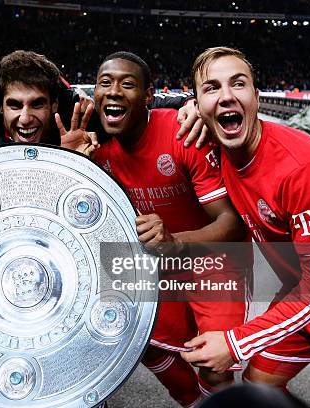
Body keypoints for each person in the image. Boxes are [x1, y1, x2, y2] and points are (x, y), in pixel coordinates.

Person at [62, 51, 250, 407]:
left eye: (127, 84)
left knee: (213, 363)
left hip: (211, 261)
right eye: (105, 83)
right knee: (141, 343)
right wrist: (71, 166)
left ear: (148, 96)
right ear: (94, 93)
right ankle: (194, 401)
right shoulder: (93, 150)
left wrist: (175, 241)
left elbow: (231, 223)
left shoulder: (182, 132)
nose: (114, 91)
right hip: (155, 267)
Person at [181, 46, 310, 406]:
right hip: (303, 290)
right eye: (211, 88)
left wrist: (234, 342)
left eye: (238, 84)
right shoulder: (218, 141)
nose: (226, 95)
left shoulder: (304, 168)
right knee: (259, 384)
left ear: (257, 98)